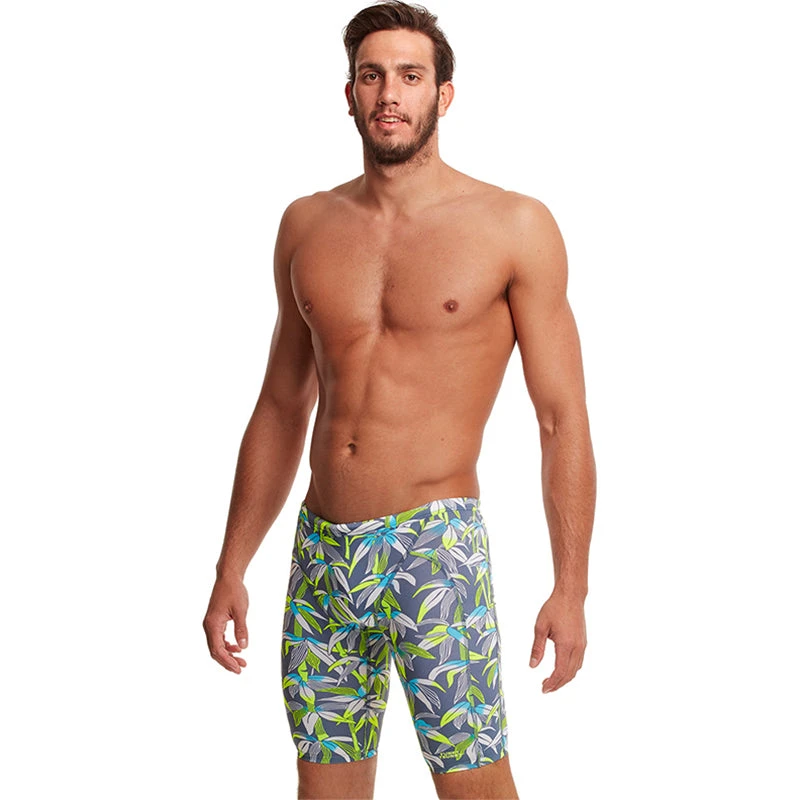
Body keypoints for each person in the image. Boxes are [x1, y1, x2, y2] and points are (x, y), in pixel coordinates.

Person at [203, 2, 596, 798]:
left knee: (475, 786)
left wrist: (572, 586)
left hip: (434, 550)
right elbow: (281, 405)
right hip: (323, 554)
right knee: (325, 790)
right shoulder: (306, 225)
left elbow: (561, 420)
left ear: (443, 95)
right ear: (348, 93)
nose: (390, 93)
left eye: (411, 76)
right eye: (372, 75)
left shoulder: (514, 226)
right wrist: (231, 563)